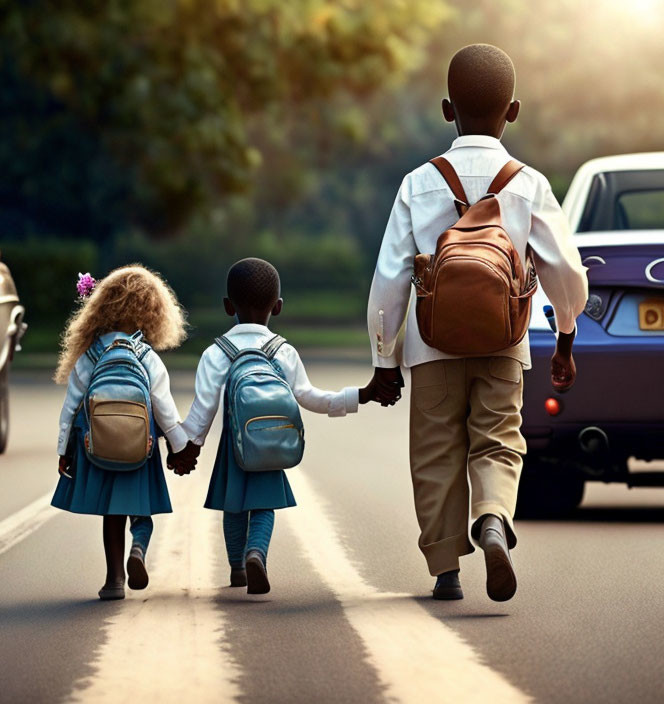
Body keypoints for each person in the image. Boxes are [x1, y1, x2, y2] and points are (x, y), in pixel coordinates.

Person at [365, 44, 588, 601]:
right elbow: (565, 271)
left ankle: (445, 569)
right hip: (504, 342)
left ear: (447, 109)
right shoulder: (528, 182)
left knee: (436, 451)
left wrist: (383, 360)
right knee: (498, 443)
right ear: (512, 111)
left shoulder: (418, 182)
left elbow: (389, 279)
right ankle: (492, 519)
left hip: (431, 346)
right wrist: (565, 335)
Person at [176, 257, 374, 595]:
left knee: (233, 506)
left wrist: (185, 449)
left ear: (227, 306)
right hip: (272, 443)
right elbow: (309, 397)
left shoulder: (216, 353)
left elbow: (202, 412)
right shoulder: (283, 351)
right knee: (263, 506)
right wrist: (359, 396)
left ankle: (238, 567)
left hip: (234, 448)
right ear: (278, 307)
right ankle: (257, 553)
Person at [52, 265, 193, 601]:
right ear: (152, 313)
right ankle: (139, 551)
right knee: (140, 512)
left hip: (97, 448)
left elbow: (71, 408)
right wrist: (180, 450)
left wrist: (64, 450)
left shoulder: (90, 355)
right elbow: (166, 412)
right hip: (139, 448)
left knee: (112, 516)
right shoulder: (147, 357)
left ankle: (114, 580)